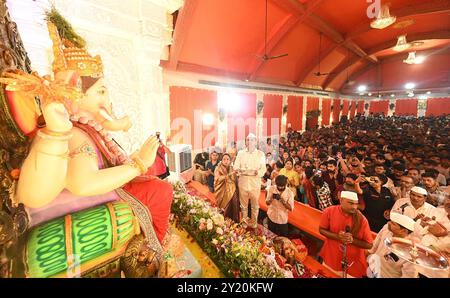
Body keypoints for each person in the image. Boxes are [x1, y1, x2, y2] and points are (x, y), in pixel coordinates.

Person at [319, 191, 373, 278]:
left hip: (353, 262)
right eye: (351, 203)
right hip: (332, 256)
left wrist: (352, 240)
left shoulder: (362, 220)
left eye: (356, 204)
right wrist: (338, 237)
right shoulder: (329, 211)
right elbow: (321, 230)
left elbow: (369, 245)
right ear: (341, 200)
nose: (354, 207)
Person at [366, 212, 418, 278]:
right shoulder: (386, 229)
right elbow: (374, 247)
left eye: (393, 223)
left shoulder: (411, 252)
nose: (388, 223)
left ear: (404, 231)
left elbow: (409, 276)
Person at [234, 133, 266, 229]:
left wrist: (257, 173)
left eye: (252, 140)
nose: (249, 142)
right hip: (243, 182)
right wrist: (239, 170)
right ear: (245, 142)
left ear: (255, 141)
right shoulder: (240, 153)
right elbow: (236, 166)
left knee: (255, 205)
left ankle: (254, 223)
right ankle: (244, 223)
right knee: (243, 205)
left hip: (255, 183)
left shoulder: (260, 154)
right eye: (248, 140)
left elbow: (263, 169)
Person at [214, 153, 240, 223]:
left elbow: (235, 180)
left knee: (234, 206)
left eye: (228, 159)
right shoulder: (218, 168)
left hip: (232, 190)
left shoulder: (232, 168)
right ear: (221, 160)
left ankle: (234, 222)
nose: (226, 161)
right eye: (224, 159)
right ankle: (223, 222)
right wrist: (229, 175)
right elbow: (218, 179)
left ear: (230, 161)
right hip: (222, 192)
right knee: (225, 208)